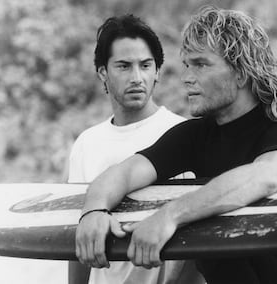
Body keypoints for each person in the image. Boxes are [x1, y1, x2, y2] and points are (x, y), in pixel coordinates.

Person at [76, 6, 277, 284]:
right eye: (186, 65)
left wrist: (169, 216)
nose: (187, 77)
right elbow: (124, 173)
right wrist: (94, 210)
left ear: (241, 72)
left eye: (201, 64)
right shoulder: (194, 136)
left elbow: (264, 176)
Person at [68, 15, 204, 284]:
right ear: (102, 73)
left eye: (145, 65)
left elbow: (199, 244)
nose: (137, 77)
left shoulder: (185, 136)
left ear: (158, 72)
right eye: (123, 66)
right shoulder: (87, 142)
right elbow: (78, 234)